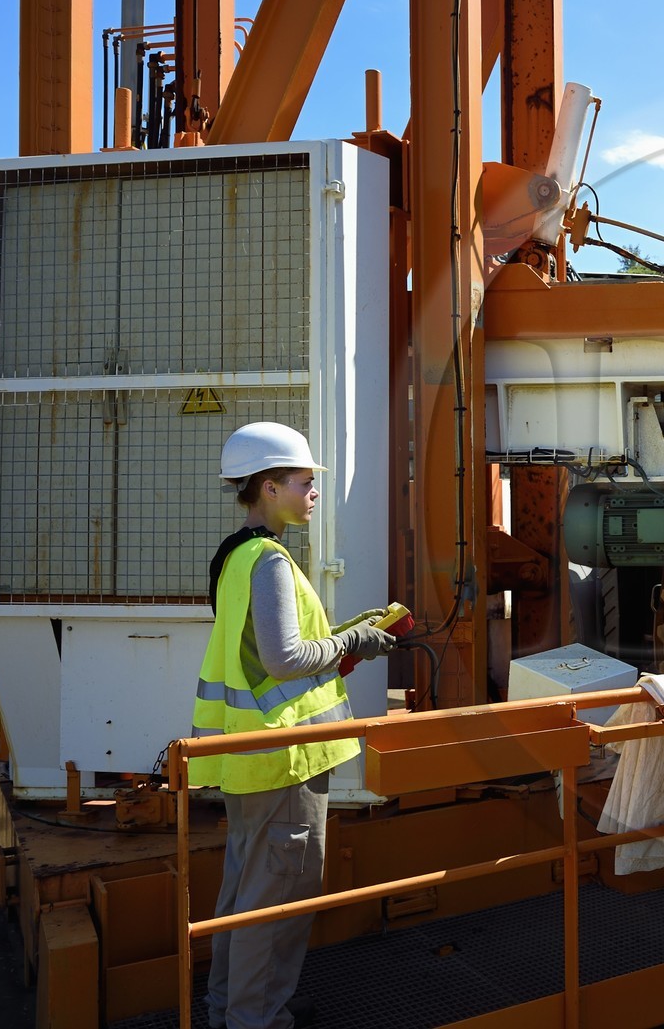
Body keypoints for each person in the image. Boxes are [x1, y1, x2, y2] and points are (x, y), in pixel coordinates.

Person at [190, 421, 397, 1029]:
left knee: (244, 898)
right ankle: (258, 1018)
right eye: (304, 482)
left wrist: (338, 643)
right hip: (288, 762)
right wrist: (352, 639)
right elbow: (284, 659)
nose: (313, 493)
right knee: (276, 900)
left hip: (254, 760)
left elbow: (265, 656)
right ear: (269, 486)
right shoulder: (272, 562)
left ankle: (229, 1008)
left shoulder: (236, 555)